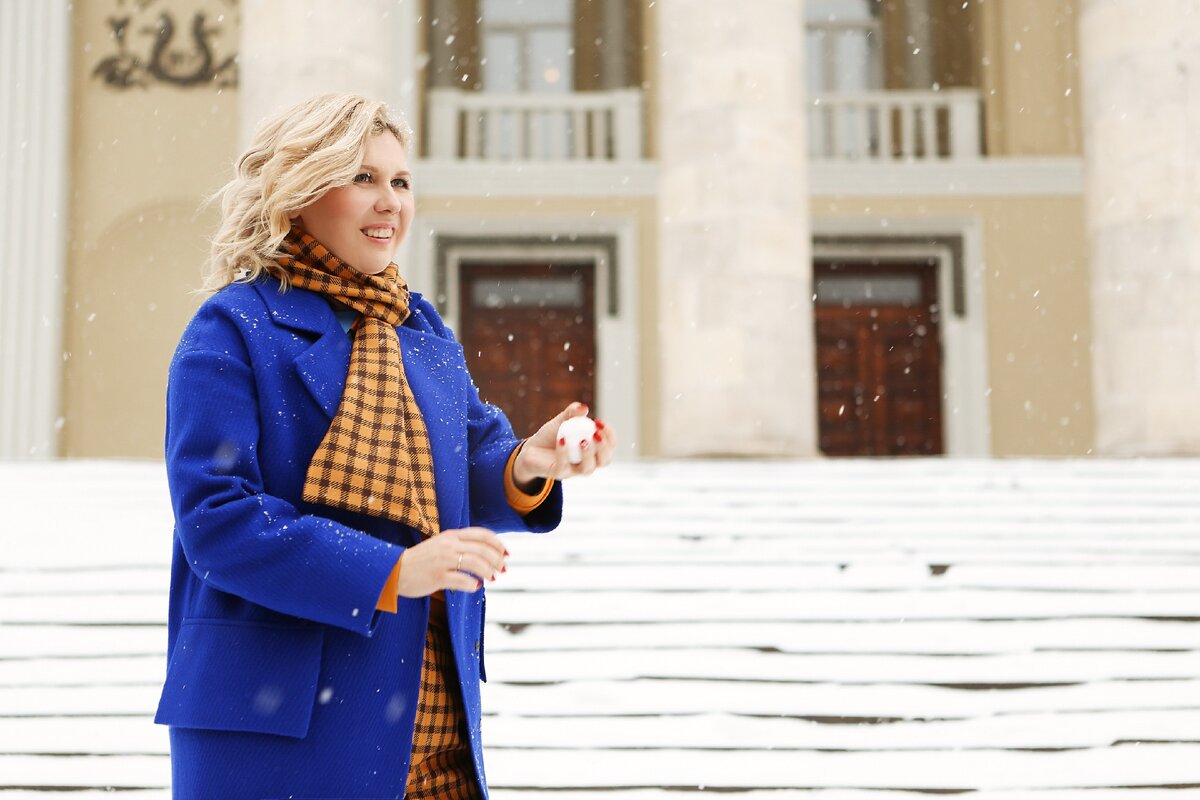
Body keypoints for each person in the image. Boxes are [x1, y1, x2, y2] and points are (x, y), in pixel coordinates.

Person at [154, 92, 616, 799]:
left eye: (400, 181)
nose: (389, 202)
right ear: (299, 193)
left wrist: (530, 462)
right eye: (363, 178)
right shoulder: (232, 328)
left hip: (430, 714)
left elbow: (463, 464)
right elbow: (219, 521)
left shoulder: (418, 329)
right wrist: (391, 571)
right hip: (283, 726)